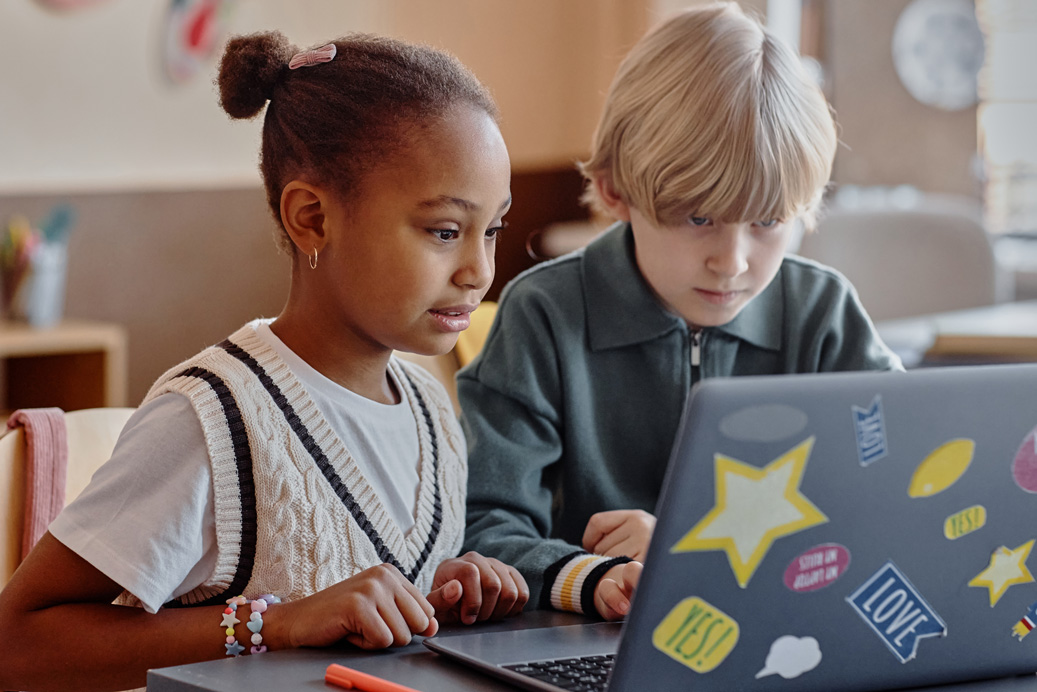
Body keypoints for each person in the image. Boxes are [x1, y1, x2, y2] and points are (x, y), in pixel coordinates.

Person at [0, 30, 523, 692]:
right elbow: (16, 644)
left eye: (493, 230)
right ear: (311, 219)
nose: (478, 270)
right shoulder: (211, 422)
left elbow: (368, 623)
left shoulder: (431, 412)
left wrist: (441, 597)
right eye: (444, 232)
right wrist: (272, 624)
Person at [458, 2, 902, 623]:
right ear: (616, 191)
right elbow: (483, 527)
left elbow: (894, 503)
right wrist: (594, 577)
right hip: (597, 641)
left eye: (769, 222)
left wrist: (686, 546)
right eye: (699, 219)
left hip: (787, 629)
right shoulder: (545, 315)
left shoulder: (822, 313)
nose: (733, 261)